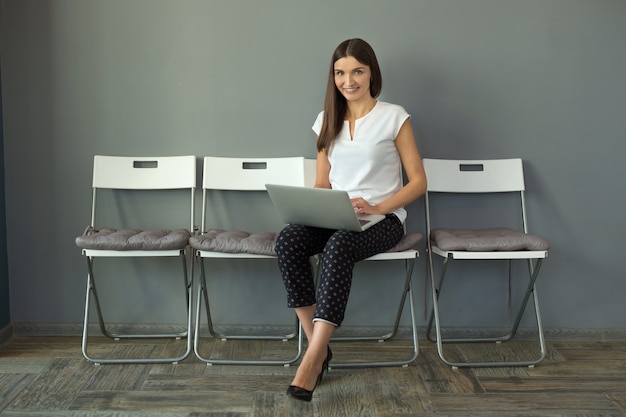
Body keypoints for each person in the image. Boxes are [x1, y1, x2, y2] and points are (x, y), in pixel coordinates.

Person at [275, 38, 427, 402]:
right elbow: (321, 182)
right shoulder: (326, 120)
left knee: (338, 246)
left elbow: (419, 181)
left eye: (357, 71)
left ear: (371, 72)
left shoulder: (394, 116)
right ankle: (318, 345)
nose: (349, 80)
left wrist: (379, 207)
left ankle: (312, 361)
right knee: (287, 241)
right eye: (340, 72)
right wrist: (318, 206)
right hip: (335, 216)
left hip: (384, 220)